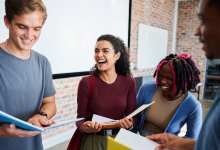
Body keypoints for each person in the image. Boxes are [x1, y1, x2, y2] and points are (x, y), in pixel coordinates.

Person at [147, 0, 220, 149]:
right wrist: (186, 144)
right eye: (162, 76)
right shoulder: (147, 90)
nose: (196, 31)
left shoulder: (193, 106)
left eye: (204, 21)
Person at [0, 0, 56, 150]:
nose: (30, 35)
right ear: (7, 21)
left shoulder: (43, 62)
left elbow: (50, 103)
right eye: (22, 27)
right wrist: (1, 131)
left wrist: (42, 116)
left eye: (37, 28)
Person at [69, 34, 136, 150]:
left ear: (117, 55)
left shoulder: (129, 82)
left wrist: (129, 124)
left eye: (105, 51)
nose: (99, 55)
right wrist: (86, 128)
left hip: (119, 141)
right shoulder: (86, 83)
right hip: (93, 141)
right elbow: (80, 119)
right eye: (96, 51)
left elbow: (132, 116)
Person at [134, 53, 202, 140]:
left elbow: (192, 139)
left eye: (169, 78)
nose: (163, 81)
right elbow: (135, 117)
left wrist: (170, 143)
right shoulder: (147, 88)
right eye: (161, 76)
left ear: (183, 80)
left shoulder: (193, 106)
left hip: (166, 145)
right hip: (140, 138)